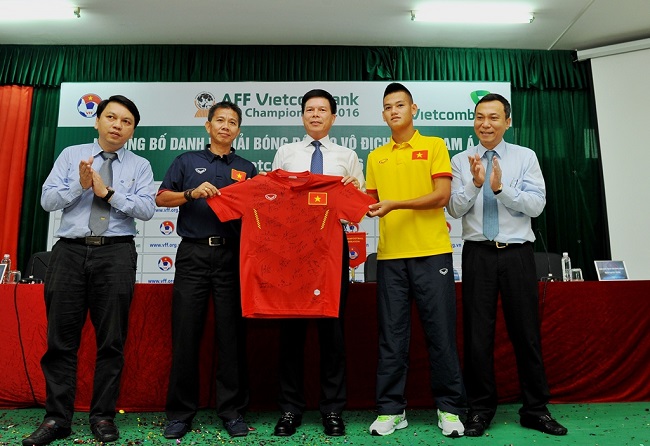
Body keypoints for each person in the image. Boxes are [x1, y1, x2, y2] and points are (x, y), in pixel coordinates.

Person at [23, 95, 156, 446]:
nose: (117, 125)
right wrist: (79, 186)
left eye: (126, 122)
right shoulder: (72, 155)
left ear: (132, 131)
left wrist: (107, 192)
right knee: (60, 341)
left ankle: (102, 416)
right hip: (69, 252)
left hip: (116, 254)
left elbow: (146, 210)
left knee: (111, 341)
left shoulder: (141, 165)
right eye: (111, 117)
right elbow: (47, 200)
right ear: (97, 121)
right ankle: (57, 419)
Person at [447, 93, 568, 437]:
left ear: (508, 121)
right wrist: (476, 184)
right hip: (477, 254)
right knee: (477, 336)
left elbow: (536, 205)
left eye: (493, 117)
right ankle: (480, 409)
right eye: (480, 117)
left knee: (526, 333)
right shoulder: (461, 160)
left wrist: (501, 190)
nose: (485, 124)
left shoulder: (525, 157)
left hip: (517, 255)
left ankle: (535, 409)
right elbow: (454, 209)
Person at [365, 83, 467, 438]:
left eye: (400, 105)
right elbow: (367, 202)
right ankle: (391, 410)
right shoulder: (375, 157)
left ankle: (450, 408)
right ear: (383, 115)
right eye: (388, 107)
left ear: (414, 109)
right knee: (391, 337)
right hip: (390, 257)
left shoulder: (434, 145)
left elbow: (441, 196)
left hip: (432, 253)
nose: (394, 111)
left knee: (441, 334)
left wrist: (396, 204)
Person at [156, 101, 257, 439]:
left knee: (232, 337)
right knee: (186, 334)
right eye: (220, 120)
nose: (226, 126)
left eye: (232, 122)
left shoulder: (247, 168)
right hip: (193, 254)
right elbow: (161, 198)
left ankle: (232, 411)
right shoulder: (186, 161)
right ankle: (180, 414)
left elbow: (258, 213)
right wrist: (191, 193)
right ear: (208, 126)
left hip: (231, 257)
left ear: (239, 130)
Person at [270, 88, 364, 437]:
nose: (315, 115)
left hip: (331, 248)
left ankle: (333, 409)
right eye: (309, 109)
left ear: (333, 117)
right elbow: (273, 199)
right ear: (302, 116)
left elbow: (358, 207)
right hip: (292, 249)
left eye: (322, 110)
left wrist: (353, 188)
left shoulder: (347, 155)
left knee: (332, 332)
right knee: (291, 332)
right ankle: (290, 409)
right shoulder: (286, 153)